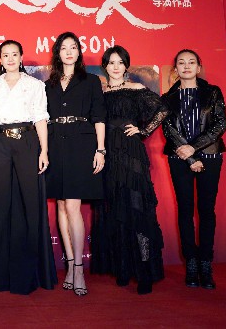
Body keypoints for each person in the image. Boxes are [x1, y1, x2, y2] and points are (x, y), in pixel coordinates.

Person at [0, 39, 56, 295]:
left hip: (27, 143)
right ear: (0, 59)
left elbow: (40, 118)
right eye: (5, 55)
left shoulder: (35, 85)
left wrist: (44, 151)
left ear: (21, 57)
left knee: (28, 204)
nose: (10, 58)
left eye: (14, 54)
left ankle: (27, 274)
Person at [90, 45, 167, 295]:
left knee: (137, 210)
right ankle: (122, 267)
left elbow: (162, 110)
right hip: (108, 155)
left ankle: (144, 271)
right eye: (111, 62)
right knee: (115, 211)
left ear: (126, 65)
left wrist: (143, 131)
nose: (115, 67)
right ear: (105, 66)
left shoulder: (136, 88)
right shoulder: (99, 92)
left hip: (131, 154)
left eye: (120, 62)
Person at [44, 31, 106, 297]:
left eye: (73, 47)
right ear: (57, 53)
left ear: (79, 52)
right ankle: (70, 264)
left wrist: (100, 149)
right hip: (55, 144)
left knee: (72, 206)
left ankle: (79, 268)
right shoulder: (48, 84)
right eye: (64, 48)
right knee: (60, 204)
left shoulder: (90, 81)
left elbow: (99, 116)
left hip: (82, 144)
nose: (69, 52)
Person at [161, 49, 226, 290]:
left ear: (199, 68)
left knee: (207, 210)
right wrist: (189, 157)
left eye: (191, 62)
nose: (186, 66)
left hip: (210, 156)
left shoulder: (213, 92)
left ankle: (205, 263)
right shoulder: (167, 98)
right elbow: (169, 130)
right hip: (179, 158)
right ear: (175, 69)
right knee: (185, 209)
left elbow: (220, 124)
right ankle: (190, 262)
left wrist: (194, 149)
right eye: (181, 62)